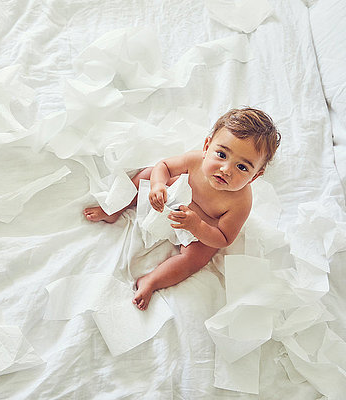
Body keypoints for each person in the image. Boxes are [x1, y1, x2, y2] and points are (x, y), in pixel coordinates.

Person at [83, 107, 281, 310]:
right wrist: (158, 185)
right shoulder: (195, 160)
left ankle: (152, 281)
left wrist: (197, 227)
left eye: (242, 167)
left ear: (255, 176)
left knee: (196, 258)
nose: (226, 169)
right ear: (207, 146)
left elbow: (224, 237)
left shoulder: (241, 201)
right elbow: (164, 167)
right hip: (175, 196)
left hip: (203, 225)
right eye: (221, 154)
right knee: (148, 173)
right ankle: (113, 210)